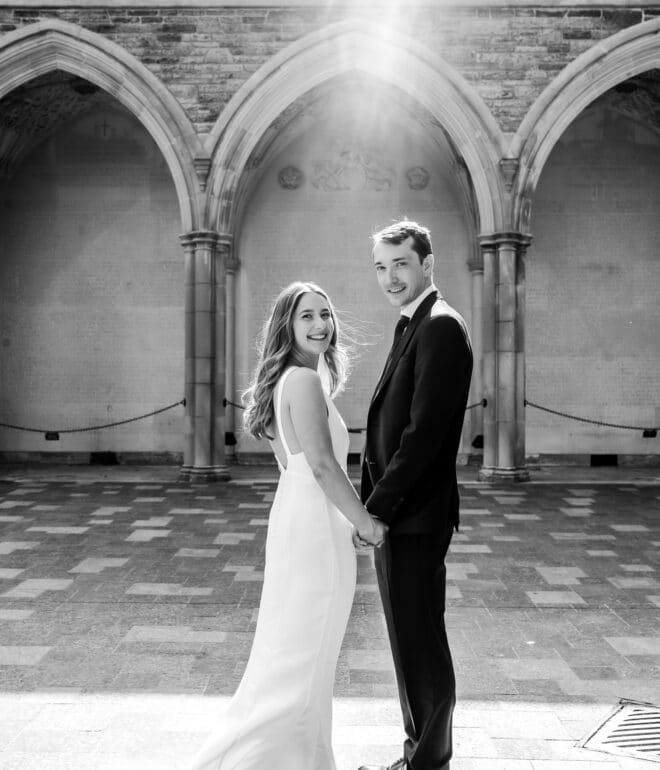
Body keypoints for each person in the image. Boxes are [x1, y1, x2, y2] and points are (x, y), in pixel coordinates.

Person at [190, 281, 387, 770]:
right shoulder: (301, 382)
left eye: (326, 313)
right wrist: (366, 522)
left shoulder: (291, 380)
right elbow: (321, 466)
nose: (321, 324)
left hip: (299, 518)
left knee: (299, 650)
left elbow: (296, 467)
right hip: (316, 529)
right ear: (286, 325)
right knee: (305, 652)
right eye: (307, 316)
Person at [357, 221, 473, 770]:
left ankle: (429, 760)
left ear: (427, 262)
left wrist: (374, 510)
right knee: (409, 643)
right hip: (402, 515)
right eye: (381, 267)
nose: (390, 277)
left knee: (421, 642)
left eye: (400, 264)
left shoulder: (442, 327)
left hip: (414, 516)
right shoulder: (415, 324)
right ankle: (419, 754)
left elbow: (422, 436)